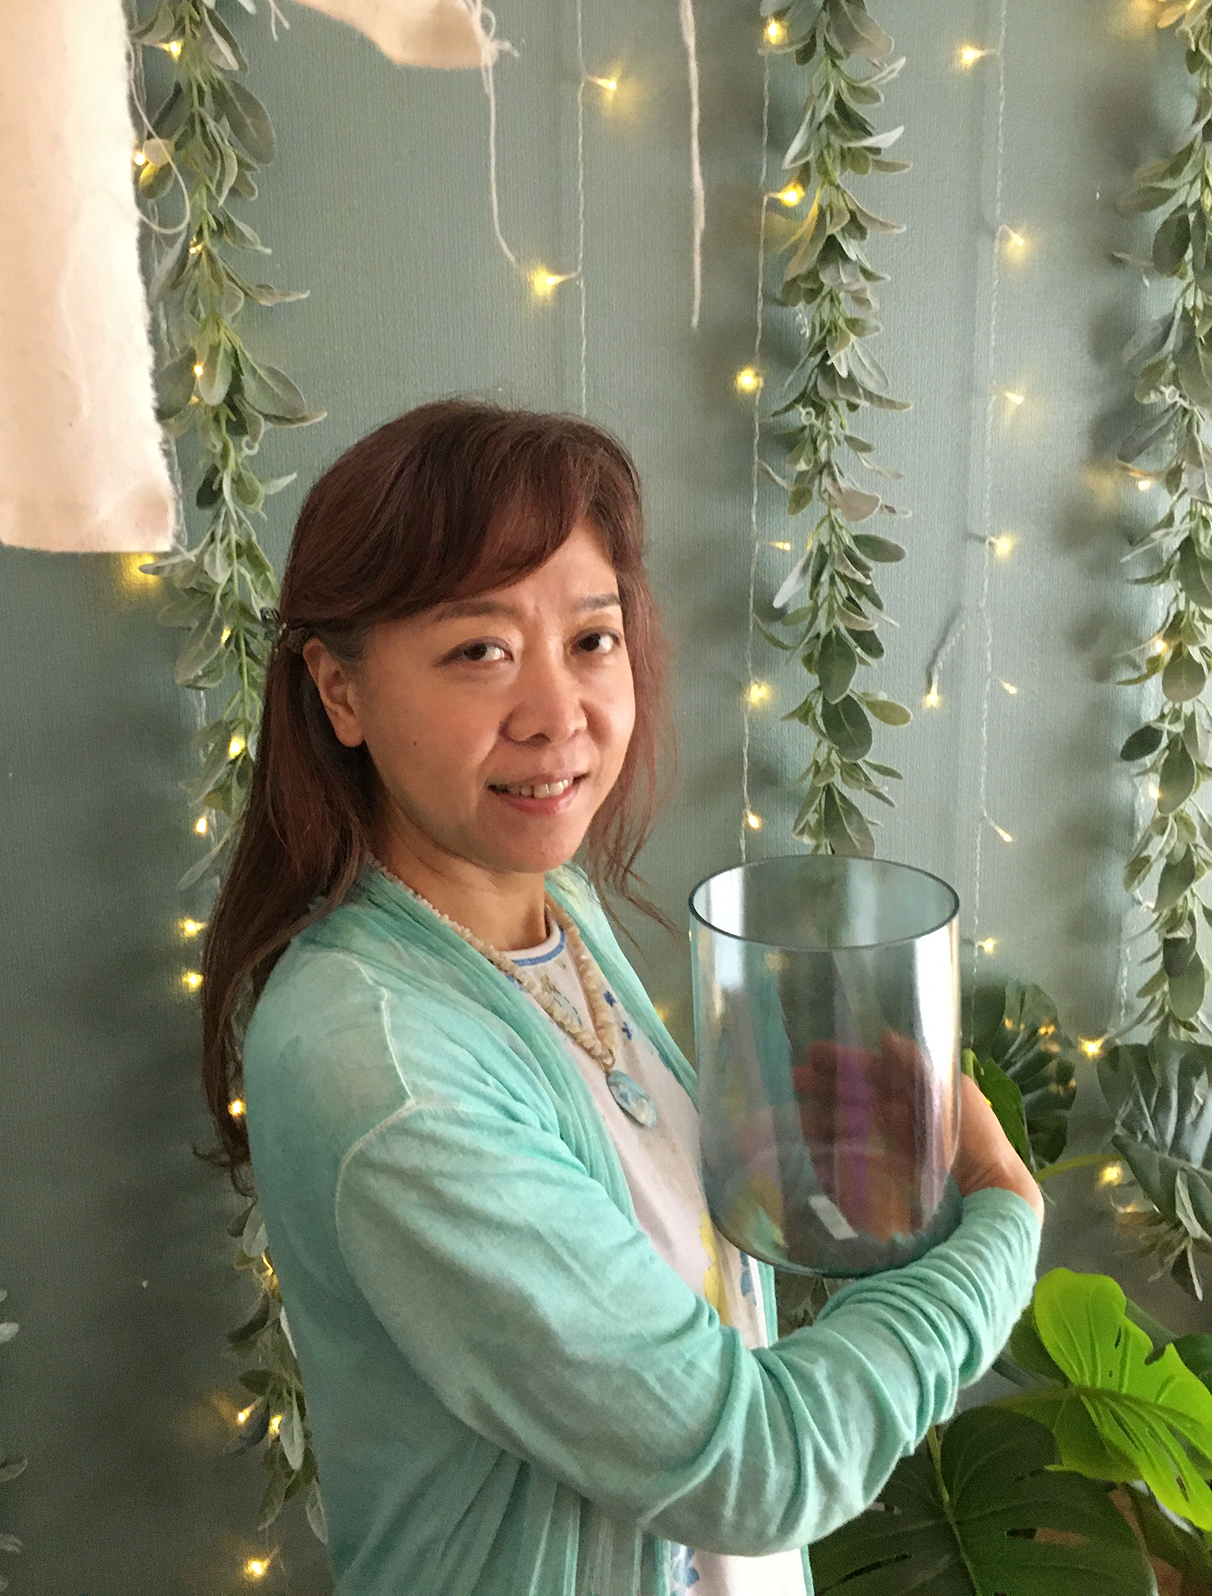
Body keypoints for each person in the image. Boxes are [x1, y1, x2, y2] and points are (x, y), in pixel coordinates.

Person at [200, 401, 1043, 1596]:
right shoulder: (379, 1063)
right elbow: (752, 1464)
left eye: (590, 639)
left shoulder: (551, 902)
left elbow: (653, 1283)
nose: (557, 715)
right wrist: (997, 1223)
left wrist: (808, 1171)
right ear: (339, 690)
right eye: (479, 650)